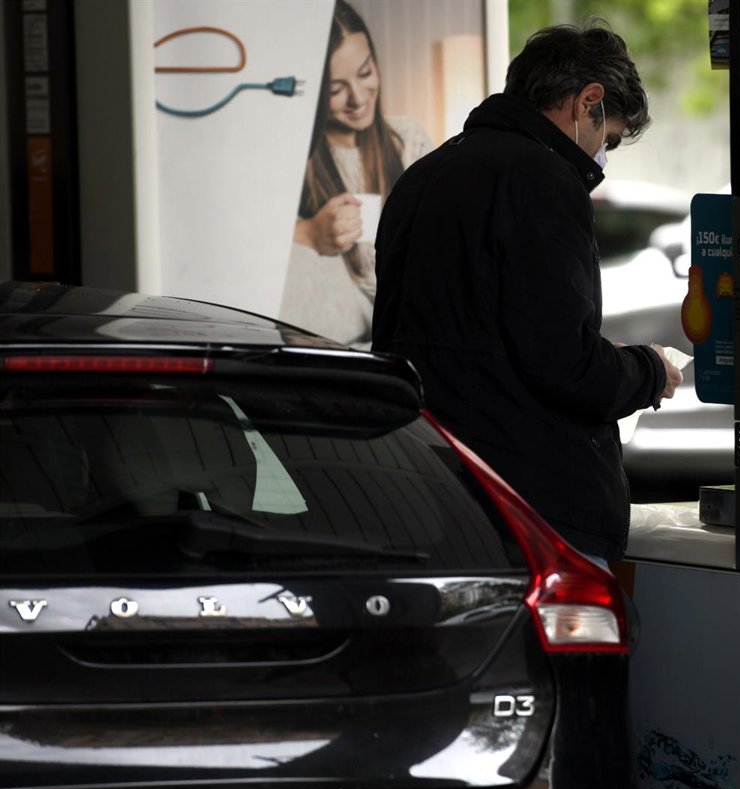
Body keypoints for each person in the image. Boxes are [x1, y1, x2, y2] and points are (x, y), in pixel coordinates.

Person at [372, 22, 683, 566]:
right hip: (525, 508)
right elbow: (564, 364)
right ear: (588, 101)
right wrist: (649, 371)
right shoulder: (544, 179)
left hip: (425, 486)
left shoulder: (422, 175)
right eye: (608, 139)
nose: (602, 156)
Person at [280, 0, 433, 347]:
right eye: (336, 89)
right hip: (332, 333)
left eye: (365, 73)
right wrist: (308, 233)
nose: (358, 98)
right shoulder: (295, 157)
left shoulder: (407, 140)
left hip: (406, 321)